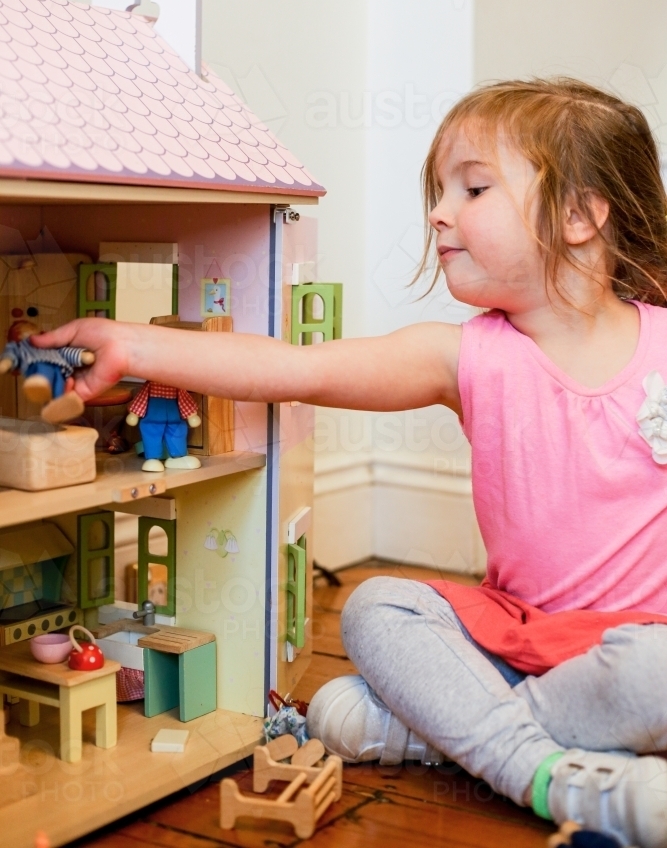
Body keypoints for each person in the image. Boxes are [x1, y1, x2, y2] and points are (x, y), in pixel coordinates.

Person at [34, 78, 667, 845]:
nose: (437, 212)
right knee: (374, 609)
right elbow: (299, 367)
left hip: (635, 646)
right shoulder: (463, 357)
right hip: (517, 638)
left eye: (471, 188)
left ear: (578, 215)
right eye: (437, 192)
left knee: (650, 671)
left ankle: (466, 740)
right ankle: (547, 769)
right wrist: (135, 345)